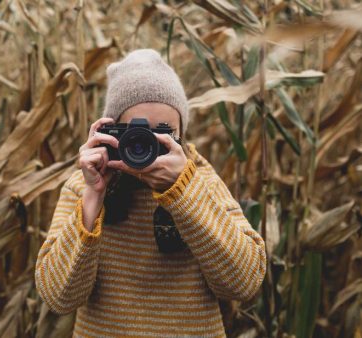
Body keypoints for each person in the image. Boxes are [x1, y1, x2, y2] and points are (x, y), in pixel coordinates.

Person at [35, 49, 267, 337]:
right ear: (111, 131)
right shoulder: (85, 185)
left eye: (163, 132)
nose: (146, 144)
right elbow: (59, 297)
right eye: (136, 132)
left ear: (182, 133)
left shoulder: (201, 181)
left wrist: (182, 192)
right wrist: (93, 197)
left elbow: (243, 284)